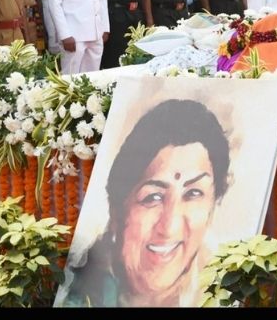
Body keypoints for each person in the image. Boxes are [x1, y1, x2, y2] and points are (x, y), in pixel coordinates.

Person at [59, 98, 230, 307]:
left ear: (212, 208)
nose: (169, 227)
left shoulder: (223, 286)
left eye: (193, 193)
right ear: (116, 210)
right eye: (153, 197)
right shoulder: (82, 293)